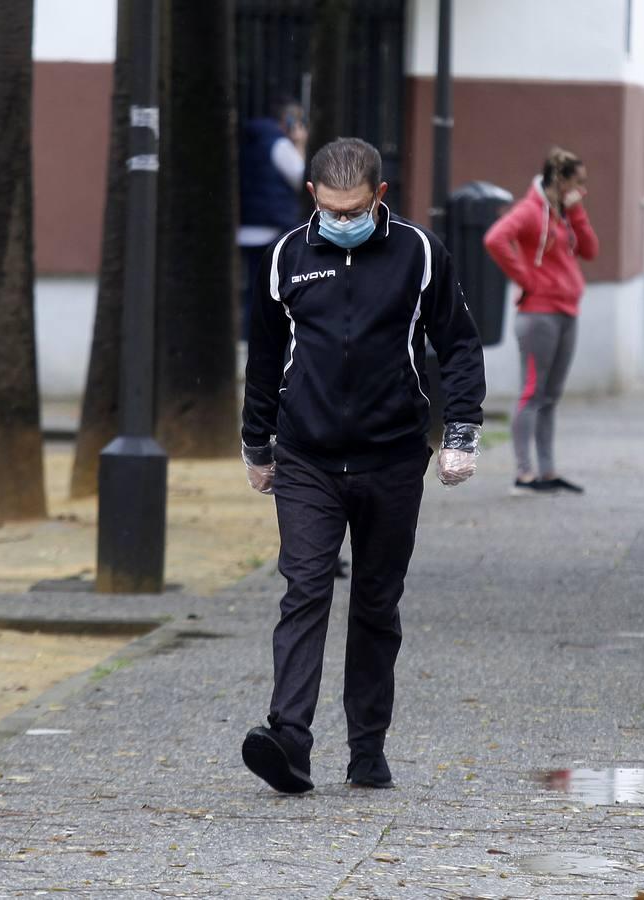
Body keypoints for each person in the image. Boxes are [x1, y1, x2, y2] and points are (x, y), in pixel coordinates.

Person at [239, 137, 487, 794]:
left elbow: (458, 344)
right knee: (304, 590)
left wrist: (461, 431)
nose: (341, 219)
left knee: (377, 603)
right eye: (330, 207)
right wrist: (255, 444)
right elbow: (264, 358)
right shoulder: (286, 257)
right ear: (311, 197)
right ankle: (288, 738)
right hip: (306, 457)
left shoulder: (420, 254)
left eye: (354, 208)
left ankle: (366, 747)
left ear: (379, 198)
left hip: (390, 458)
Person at [482, 146, 599, 495]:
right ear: (560, 180)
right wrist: (528, 280)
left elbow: (590, 250)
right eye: (577, 183)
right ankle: (524, 473)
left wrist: (577, 213)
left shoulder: (564, 215)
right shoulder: (530, 211)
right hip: (538, 316)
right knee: (532, 393)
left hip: (566, 312)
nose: (582, 190)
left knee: (550, 397)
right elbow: (495, 238)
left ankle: (547, 472)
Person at [237, 101, 309, 335]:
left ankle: (249, 334)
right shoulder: (279, 145)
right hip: (271, 228)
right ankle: (261, 336)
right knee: (272, 291)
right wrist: (299, 145)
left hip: (247, 228)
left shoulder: (250, 142)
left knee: (253, 289)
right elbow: (301, 178)